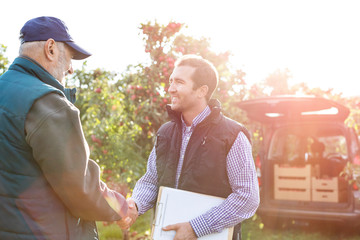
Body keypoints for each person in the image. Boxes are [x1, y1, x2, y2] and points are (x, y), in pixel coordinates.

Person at [0, 16, 136, 240]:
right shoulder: (48, 102)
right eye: (71, 57)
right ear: (51, 48)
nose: (71, 69)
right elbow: (79, 187)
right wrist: (120, 207)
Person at [121, 55, 260, 239]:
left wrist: (196, 227)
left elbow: (247, 197)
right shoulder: (165, 133)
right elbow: (151, 181)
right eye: (171, 81)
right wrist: (135, 205)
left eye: (179, 82)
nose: (170, 89)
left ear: (201, 91)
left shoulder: (232, 135)